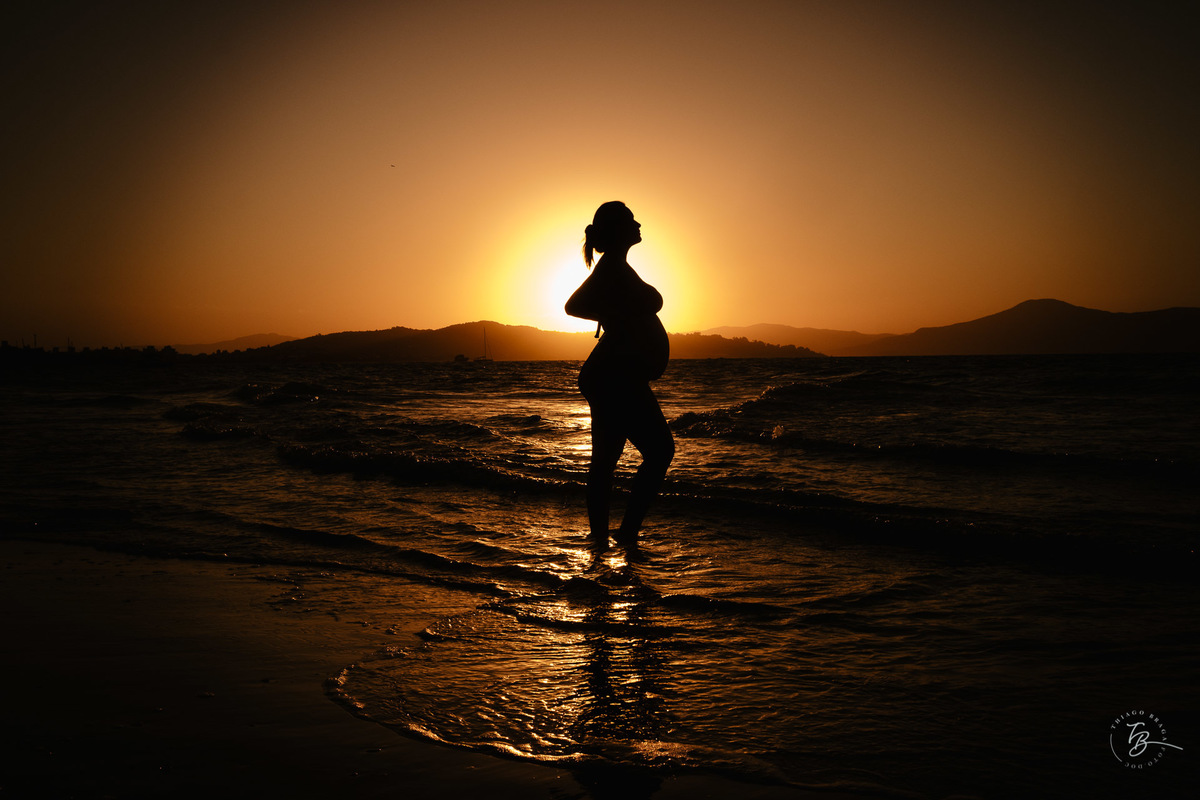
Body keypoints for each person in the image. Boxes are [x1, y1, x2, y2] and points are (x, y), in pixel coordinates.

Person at [565, 201, 674, 544]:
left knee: (607, 460)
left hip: (614, 375)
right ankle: (624, 536)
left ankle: (604, 538)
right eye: (630, 220)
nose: (638, 224)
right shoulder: (611, 267)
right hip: (615, 376)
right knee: (659, 451)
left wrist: (620, 314)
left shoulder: (617, 266)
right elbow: (573, 306)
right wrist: (619, 315)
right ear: (617, 230)